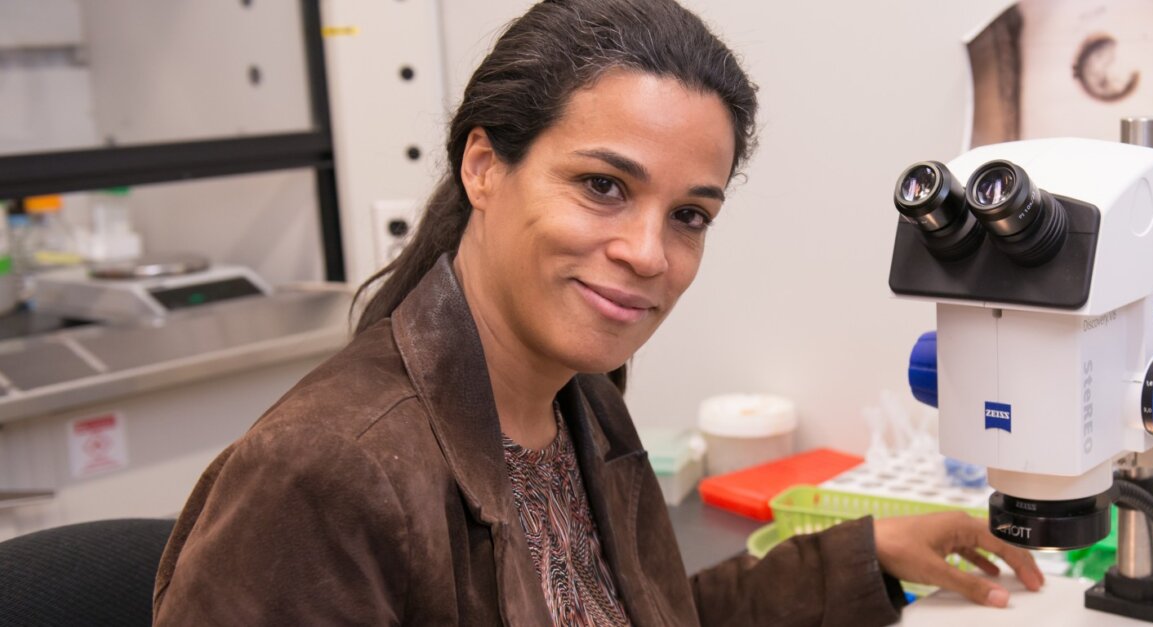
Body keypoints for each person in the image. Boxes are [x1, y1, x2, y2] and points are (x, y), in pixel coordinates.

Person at [151, 0, 1043, 624]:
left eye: (689, 214)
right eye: (603, 186)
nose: (650, 253)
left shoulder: (582, 401)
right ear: (484, 167)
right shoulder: (324, 473)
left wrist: (863, 554)